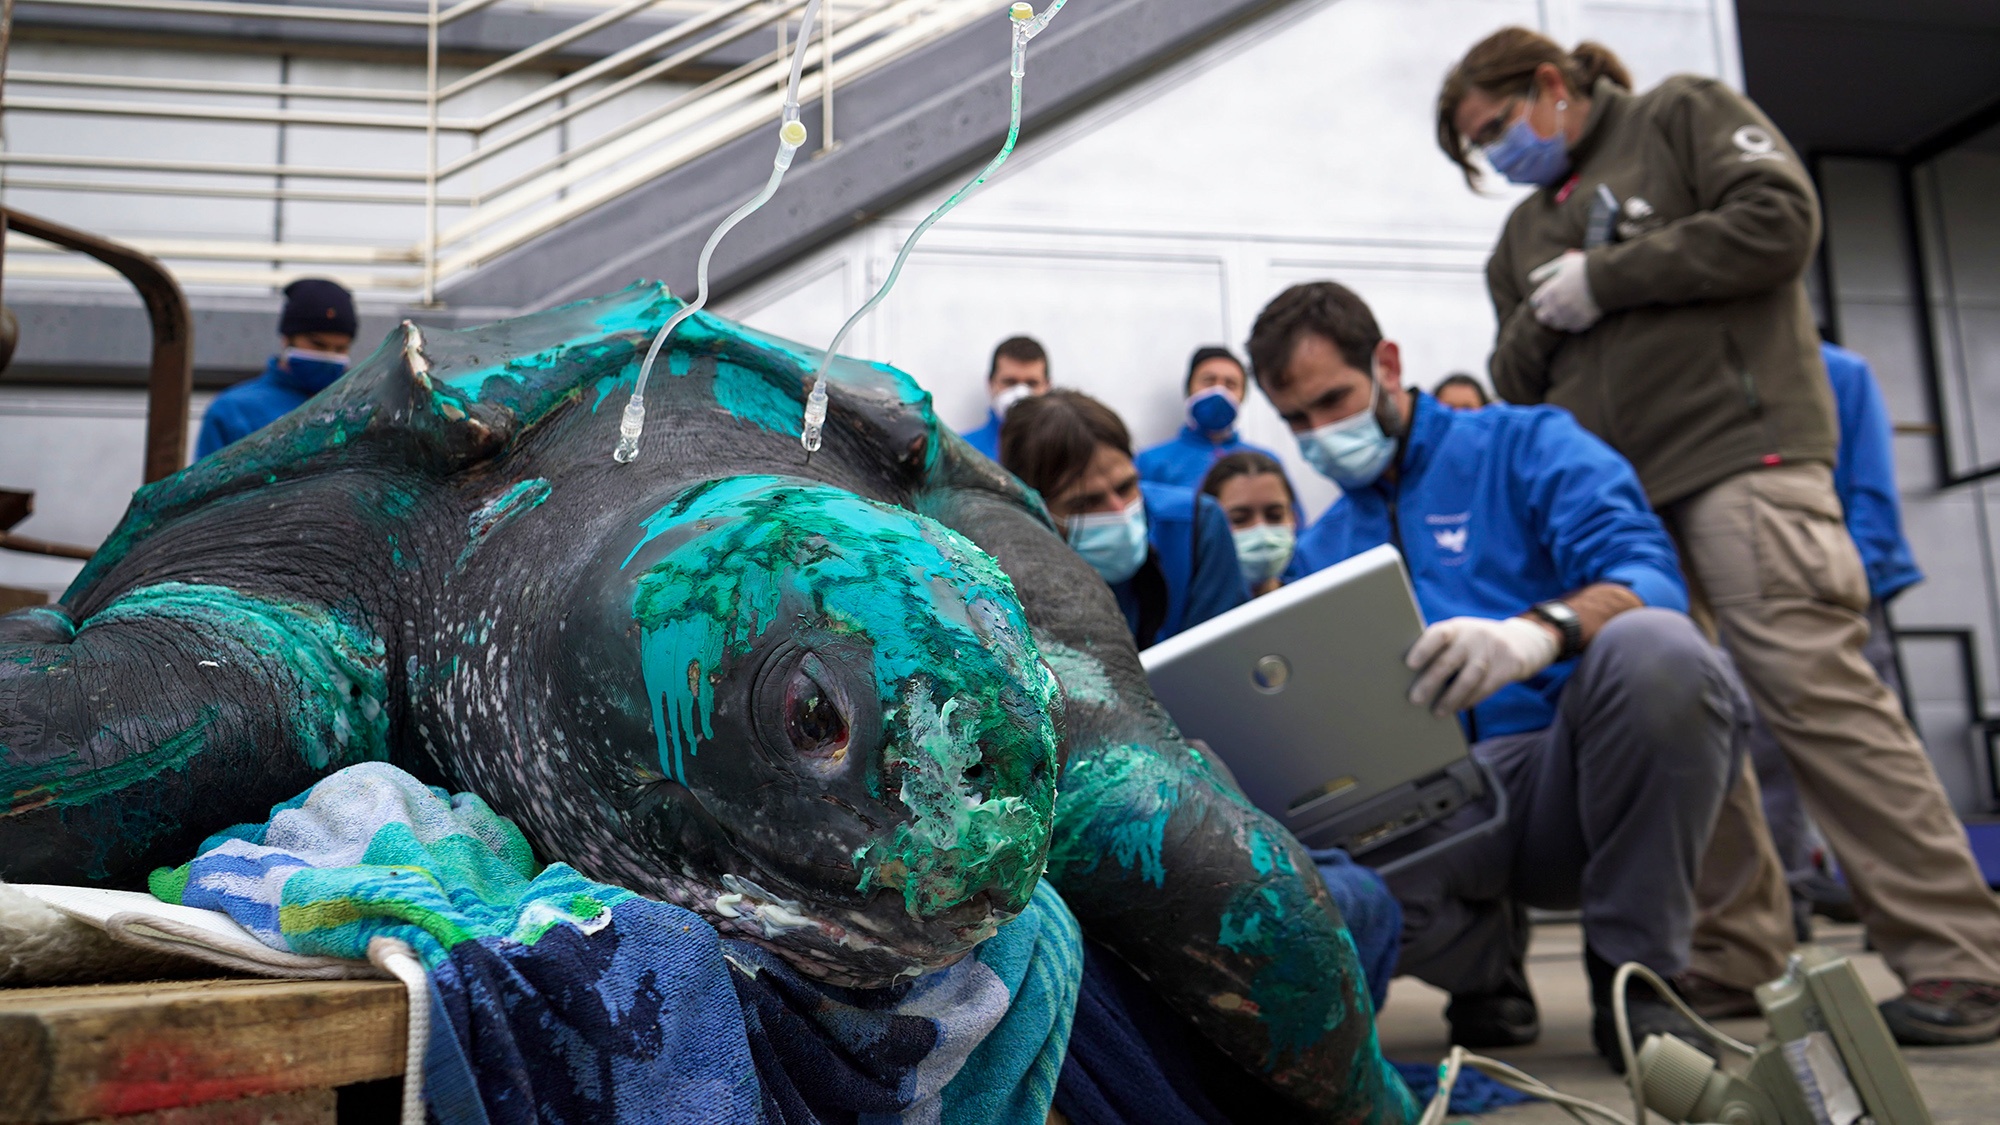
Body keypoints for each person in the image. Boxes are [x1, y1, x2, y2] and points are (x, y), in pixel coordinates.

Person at [1438, 27, 2000, 1045]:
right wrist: (1545, 304)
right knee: (1697, 735)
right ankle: (1730, 959)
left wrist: (1605, 277)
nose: (1495, 153)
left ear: (1550, 86)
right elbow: (1518, 383)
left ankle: (1959, 959)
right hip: (1625, 513)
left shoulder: (1681, 115)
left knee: (1816, 702)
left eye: (1494, 125)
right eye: (1477, 148)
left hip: (1743, 465)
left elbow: (1778, 220)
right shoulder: (1517, 236)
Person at [1249, 280, 1743, 1070]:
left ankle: (1636, 972)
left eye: (1333, 399)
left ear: (1387, 362)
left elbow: (1650, 578)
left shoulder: (1527, 445)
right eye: (1297, 421)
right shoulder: (1322, 547)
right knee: (1310, 891)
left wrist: (1536, 634)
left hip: (1562, 775)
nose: (1321, 433)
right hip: (1430, 806)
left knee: (1662, 653)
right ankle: (1483, 965)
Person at [1745, 340, 1927, 948]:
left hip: (1842, 588)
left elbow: (1871, 483)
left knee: (1867, 750)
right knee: (1763, 754)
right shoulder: (1709, 377)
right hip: (1755, 592)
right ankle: (1785, 902)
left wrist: (1858, 583)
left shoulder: (1838, 371)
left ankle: (1910, 909)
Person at [1000, 390, 1246, 646]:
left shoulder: (1197, 524)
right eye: (1087, 502)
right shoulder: (1009, 574)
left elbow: (1221, 658)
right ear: (1035, 509)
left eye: (1125, 487)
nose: (1119, 511)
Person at [196, 279, 358, 460]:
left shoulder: (357, 410)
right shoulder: (233, 412)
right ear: (287, 339)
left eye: (340, 349)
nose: (329, 356)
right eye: (318, 344)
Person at [1135, 346, 1287, 488]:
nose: (1218, 391)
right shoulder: (1150, 462)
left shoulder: (1265, 463)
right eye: (1209, 381)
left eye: (1230, 384)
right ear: (1189, 389)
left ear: (1242, 396)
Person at [1199, 450, 1300, 596]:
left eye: (1275, 516)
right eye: (1239, 518)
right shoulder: (1194, 614)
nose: (1261, 530)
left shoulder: (1315, 604)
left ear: (1293, 518)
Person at [961, 336, 1051, 460]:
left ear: (1047, 386)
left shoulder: (1066, 452)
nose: (1021, 393)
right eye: (1010, 382)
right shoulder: (962, 452)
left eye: (1031, 383)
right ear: (990, 383)